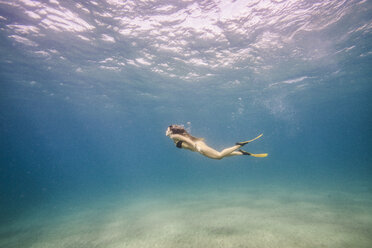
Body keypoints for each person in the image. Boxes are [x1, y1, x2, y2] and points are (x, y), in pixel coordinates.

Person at [166, 125, 268, 160]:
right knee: (219, 155)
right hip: (198, 146)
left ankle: (238, 146)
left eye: (167, 129)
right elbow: (187, 140)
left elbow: (187, 141)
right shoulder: (174, 136)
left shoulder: (174, 136)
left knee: (219, 156)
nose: (166, 130)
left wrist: (196, 147)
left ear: (171, 131)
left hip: (198, 147)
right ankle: (240, 152)